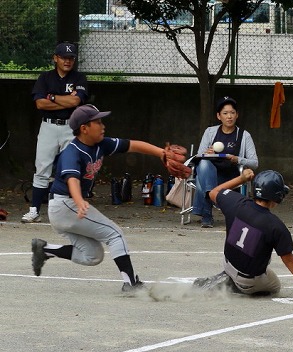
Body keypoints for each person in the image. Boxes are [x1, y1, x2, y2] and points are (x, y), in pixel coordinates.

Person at [30, 104, 189, 291]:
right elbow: (72, 179)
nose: (103, 125)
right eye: (97, 121)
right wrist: (80, 202)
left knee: (92, 256)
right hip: (67, 205)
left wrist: (161, 153)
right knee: (115, 235)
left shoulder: (100, 144)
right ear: (84, 128)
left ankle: (45, 249)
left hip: (66, 209)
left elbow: (132, 145)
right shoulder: (72, 152)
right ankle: (131, 284)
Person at [193, 169, 293, 295]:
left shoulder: (236, 202)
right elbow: (289, 260)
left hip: (228, 264)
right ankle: (233, 287)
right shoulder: (276, 225)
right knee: (275, 285)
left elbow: (213, 192)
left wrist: (241, 179)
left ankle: (229, 277)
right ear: (277, 196)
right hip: (247, 281)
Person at [22, 42, 89, 223]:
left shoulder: (79, 78)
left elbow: (75, 102)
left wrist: (51, 97)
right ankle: (34, 210)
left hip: (70, 126)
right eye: (64, 57)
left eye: (71, 58)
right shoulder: (45, 78)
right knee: (42, 168)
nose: (68, 61)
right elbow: (39, 103)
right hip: (48, 126)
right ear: (55, 58)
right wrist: (63, 100)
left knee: (70, 168)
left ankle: (68, 210)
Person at [192, 96, 259, 228]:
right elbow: (198, 156)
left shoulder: (244, 135)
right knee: (204, 164)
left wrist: (236, 159)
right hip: (210, 175)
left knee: (202, 178)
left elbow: (254, 163)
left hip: (230, 177)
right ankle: (207, 209)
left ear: (237, 115)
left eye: (232, 113)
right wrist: (207, 153)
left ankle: (206, 212)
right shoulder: (210, 132)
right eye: (225, 113)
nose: (229, 116)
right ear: (219, 116)